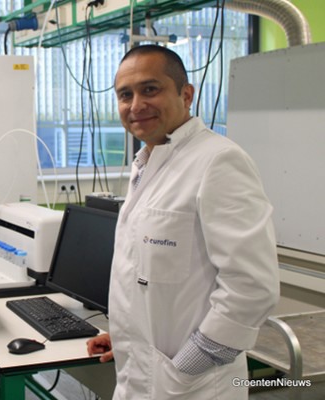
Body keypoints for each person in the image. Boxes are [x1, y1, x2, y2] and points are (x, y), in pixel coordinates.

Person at [86, 45, 280, 399]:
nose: (136, 105)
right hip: (146, 372)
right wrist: (129, 338)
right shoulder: (148, 163)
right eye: (125, 95)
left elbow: (252, 287)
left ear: (186, 95)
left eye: (150, 89)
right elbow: (149, 279)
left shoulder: (218, 161)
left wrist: (187, 365)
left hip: (193, 385)